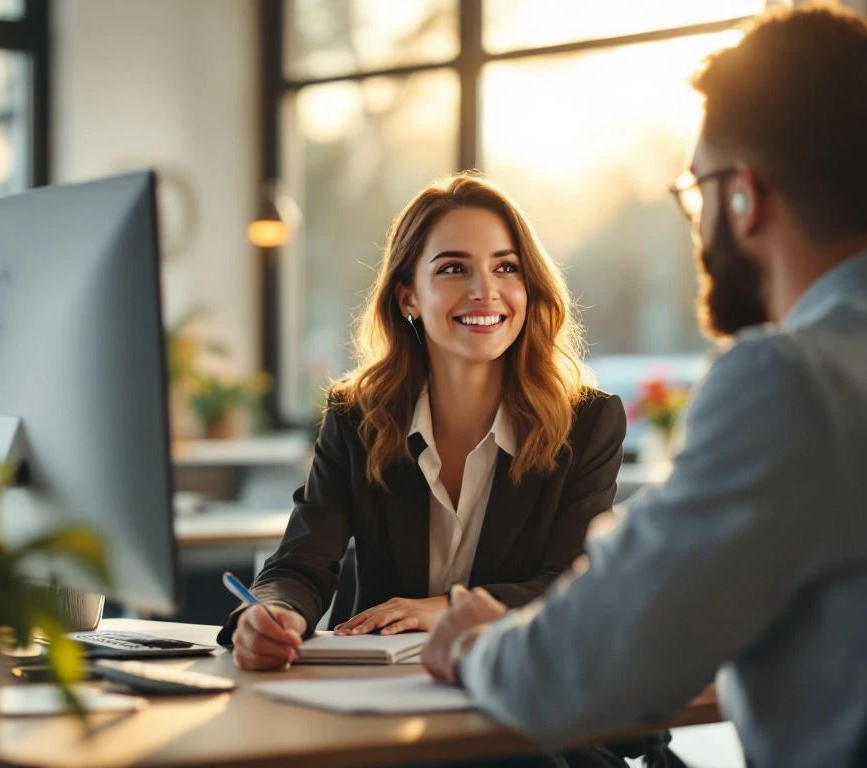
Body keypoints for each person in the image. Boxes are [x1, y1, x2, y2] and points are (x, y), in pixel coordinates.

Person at [422, 4, 867, 767]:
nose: (697, 217)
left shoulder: (790, 381)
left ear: (745, 196)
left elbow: (582, 670)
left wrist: (476, 644)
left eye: (697, 186)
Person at [218, 172, 626, 673]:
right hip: (383, 698)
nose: (485, 290)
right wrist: (272, 614)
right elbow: (300, 564)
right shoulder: (357, 418)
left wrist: (446, 609)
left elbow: (573, 584)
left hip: (526, 696)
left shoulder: (586, 422)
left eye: (506, 267)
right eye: (454, 268)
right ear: (407, 296)